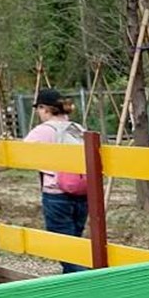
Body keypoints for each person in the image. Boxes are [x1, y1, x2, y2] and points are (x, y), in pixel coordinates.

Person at [25, 88, 89, 272]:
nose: (38, 112)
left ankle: (89, 285)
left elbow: (18, 154)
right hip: (83, 193)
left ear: (45, 108)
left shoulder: (44, 131)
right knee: (75, 243)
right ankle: (73, 288)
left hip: (57, 194)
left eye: (38, 108)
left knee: (64, 248)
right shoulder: (78, 129)